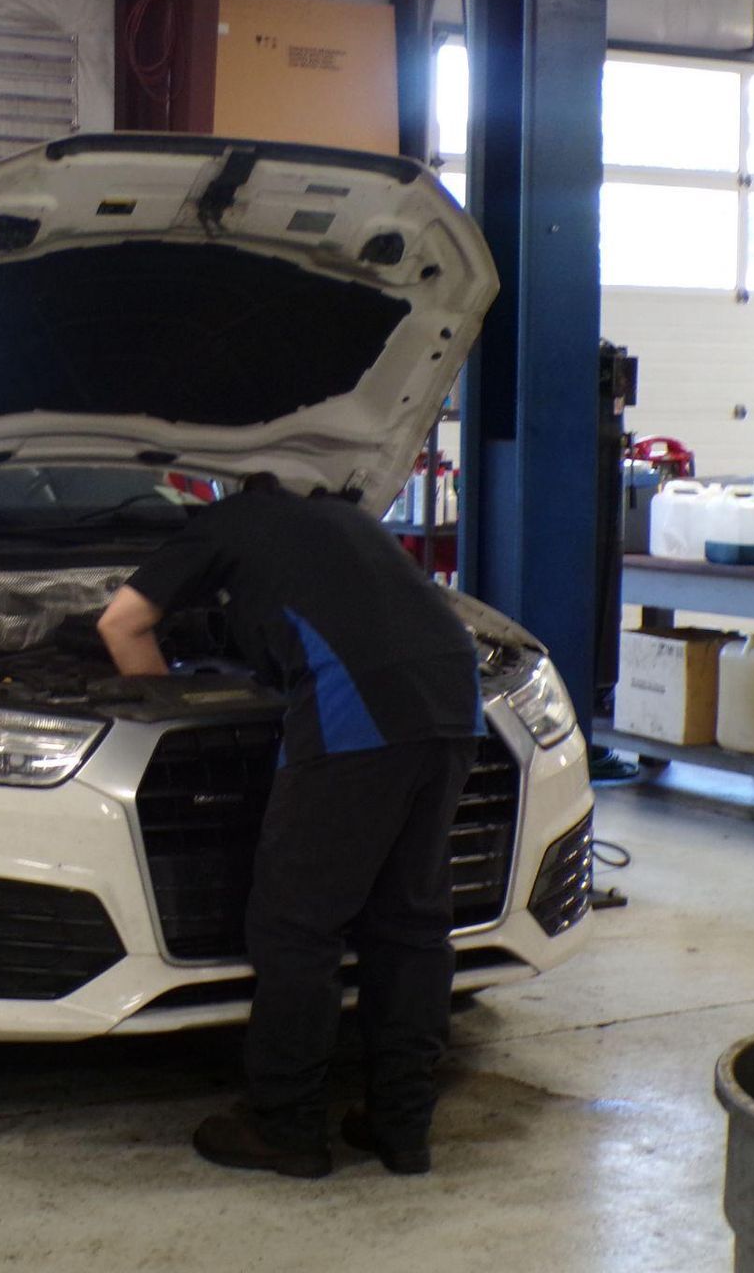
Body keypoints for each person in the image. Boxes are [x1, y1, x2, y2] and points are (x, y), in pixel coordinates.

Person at [97, 471, 486, 1178]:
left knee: (296, 927)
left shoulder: (224, 523)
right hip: (458, 698)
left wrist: (167, 708)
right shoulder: (345, 522)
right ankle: (401, 1129)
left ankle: (286, 1128)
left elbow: (120, 623)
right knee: (410, 923)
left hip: (360, 711)